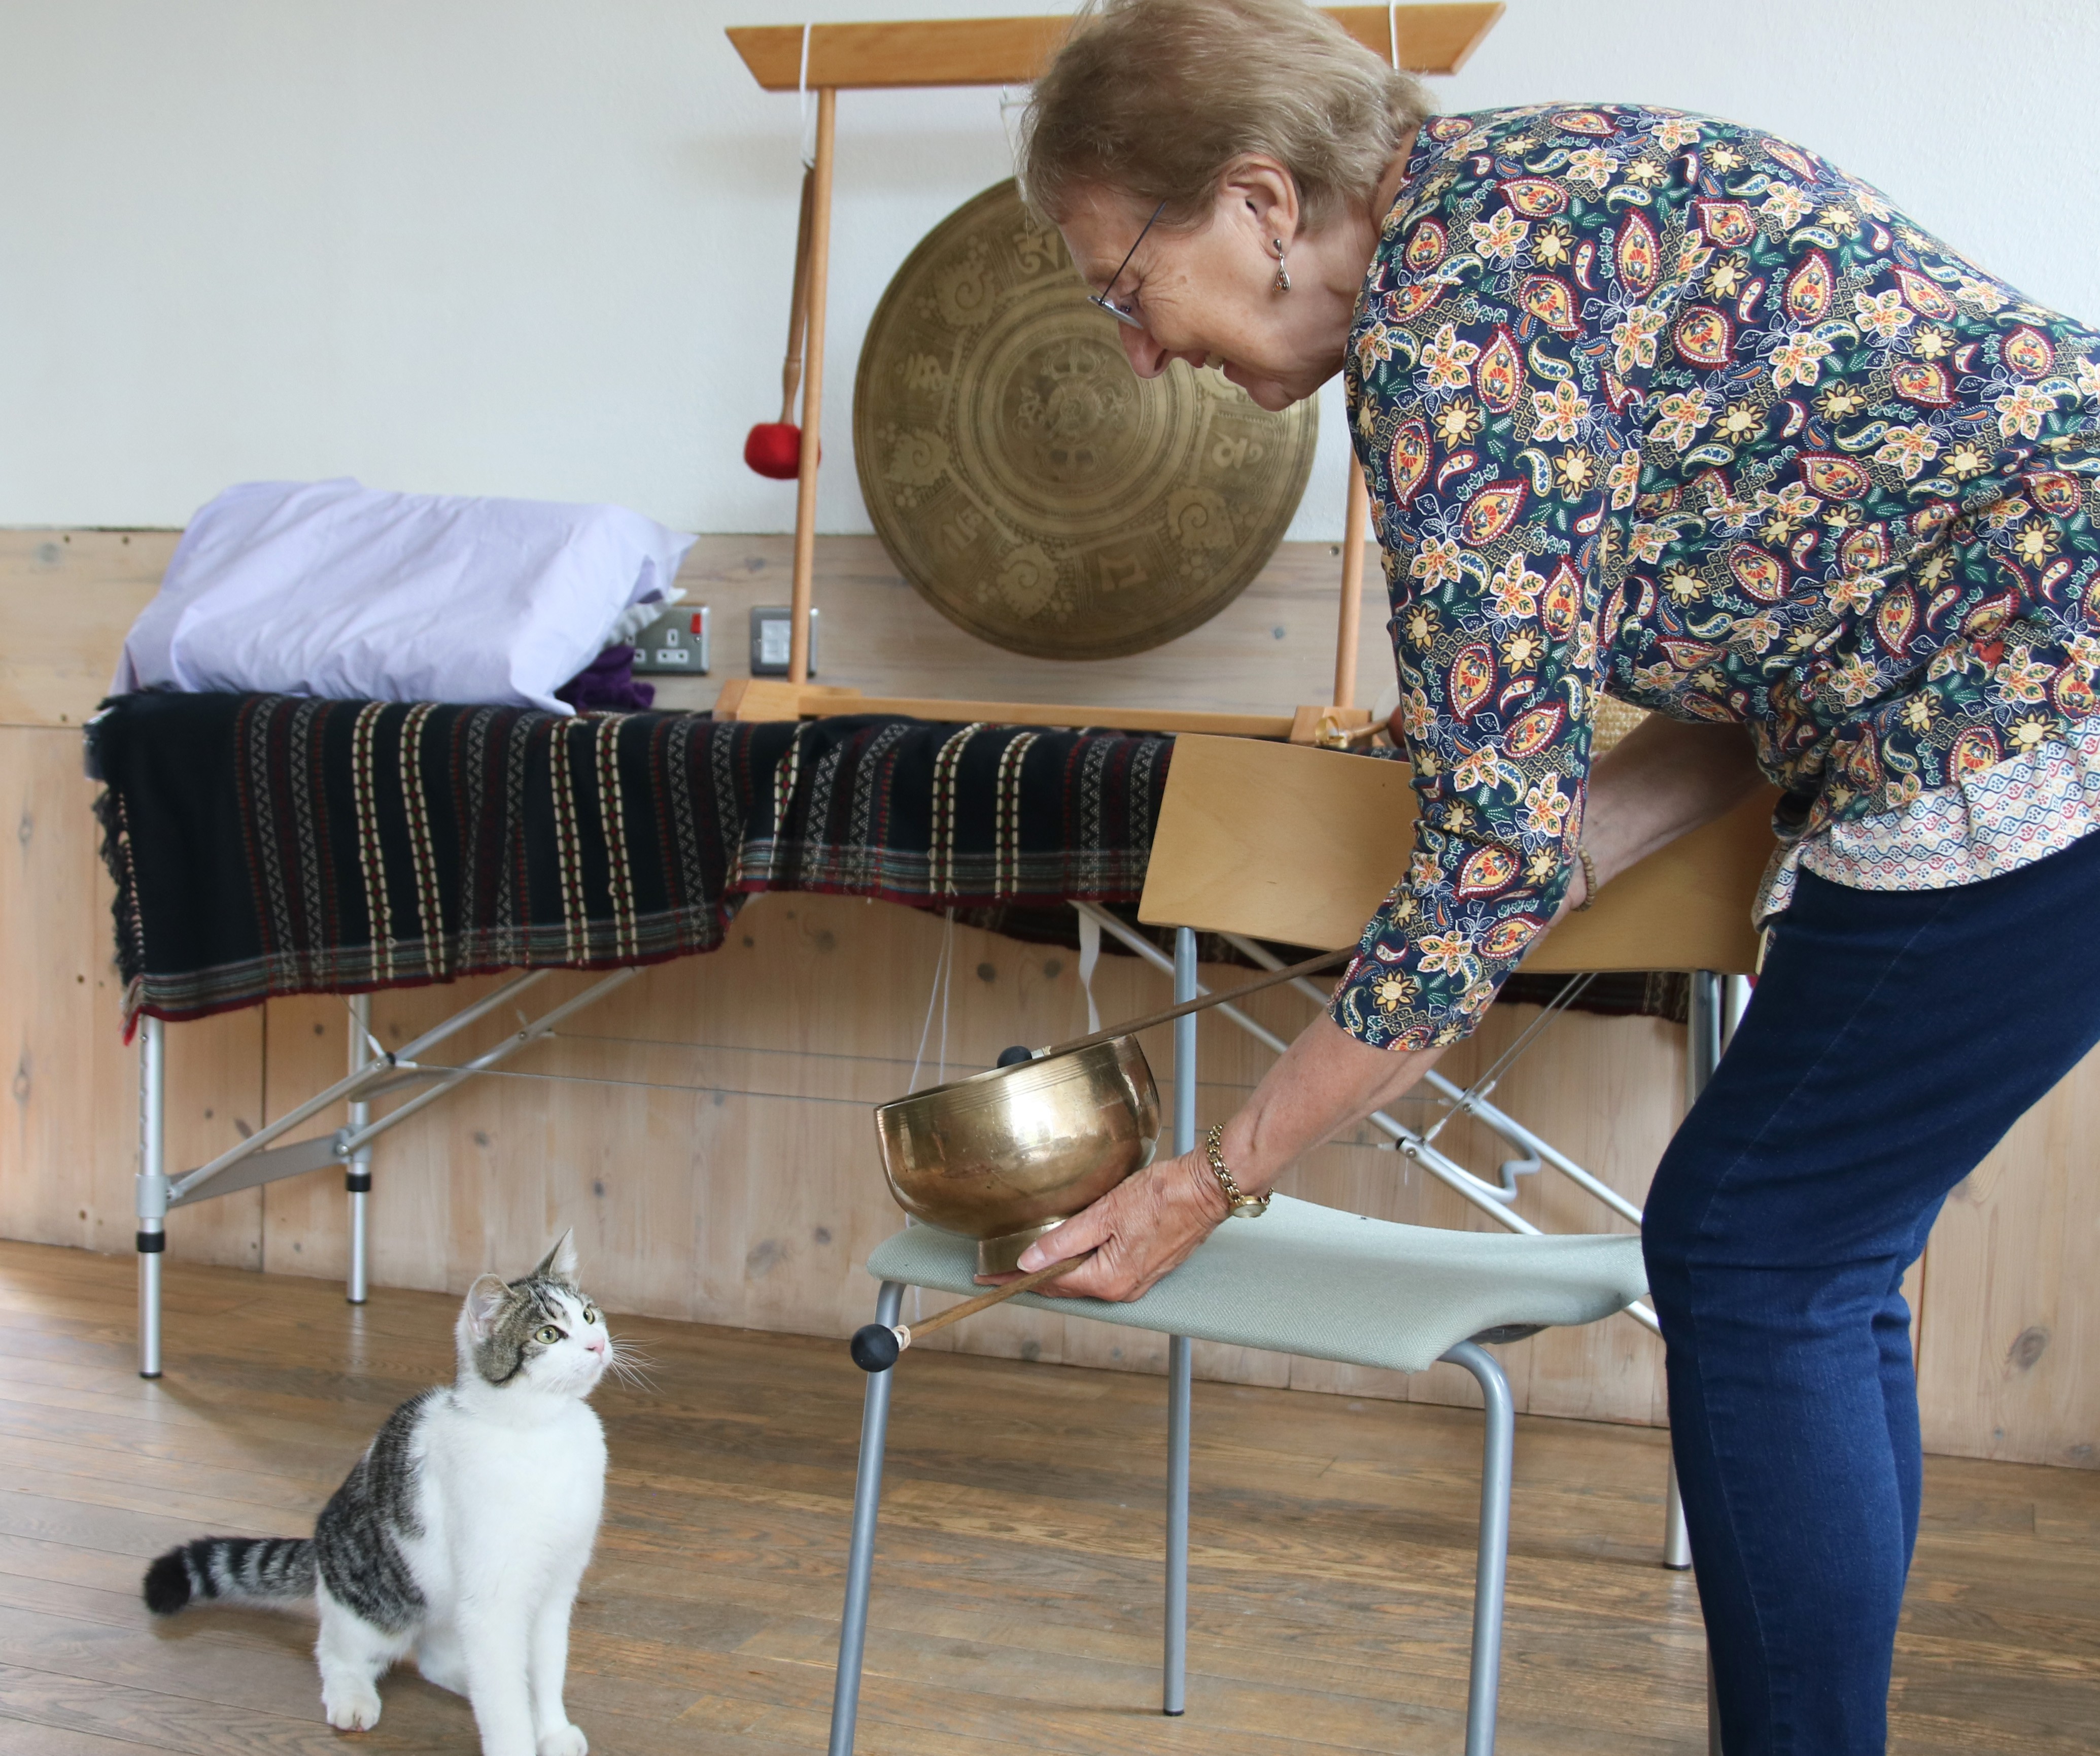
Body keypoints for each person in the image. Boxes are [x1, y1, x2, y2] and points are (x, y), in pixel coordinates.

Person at [1006, 3, 2100, 1750]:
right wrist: (1557, 842)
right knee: (1805, 1254)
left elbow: (1485, 867)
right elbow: (1790, 636)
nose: (1134, 353)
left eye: (1122, 286)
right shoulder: (1555, 175)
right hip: (2006, 675)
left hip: (2039, 703)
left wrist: (1212, 1177)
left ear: (1261, 202)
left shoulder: (1452, 340)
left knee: (1748, 1251)